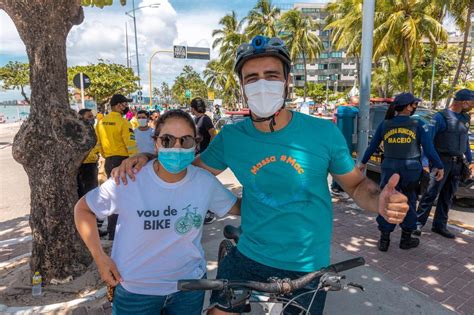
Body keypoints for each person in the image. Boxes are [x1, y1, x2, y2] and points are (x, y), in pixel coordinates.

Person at [112, 35, 409, 315]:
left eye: (271, 75)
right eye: (251, 78)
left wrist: (380, 201)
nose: (261, 84)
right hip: (248, 255)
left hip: (308, 265)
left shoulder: (323, 133)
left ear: (287, 82)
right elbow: (187, 170)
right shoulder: (231, 136)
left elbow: (356, 186)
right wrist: (151, 156)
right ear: (242, 86)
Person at [75, 110, 240, 315]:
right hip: (135, 290)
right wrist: (99, 258)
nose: (177, 147)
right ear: (156, 143)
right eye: (168, 140)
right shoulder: (129, 180)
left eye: (185, 141)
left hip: (188, 289)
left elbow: (239, 207)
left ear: (196, 144)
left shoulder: (204, 182)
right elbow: (83, 209)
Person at [359, 93, 444, 252]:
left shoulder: (385, 124)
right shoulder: (417, 124)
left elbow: (372, 146)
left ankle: (384, 240)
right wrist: (439, 165)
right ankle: (405, 239)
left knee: (387, 201)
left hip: (390, 168)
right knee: (409, 201)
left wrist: (363, 163)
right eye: (414, 104)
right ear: (407, 106)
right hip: (411, 170)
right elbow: (429, 148)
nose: (415, 107)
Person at [415, 89, 474, 239]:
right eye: (472, 102)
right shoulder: (440, 117)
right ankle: (417, 224)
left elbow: (465, 141)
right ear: (463, 101)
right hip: (441, 162)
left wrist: (470, 159)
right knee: (430, 194)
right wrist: (426, 163)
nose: (472, 106)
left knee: (448, 196)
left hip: (457, 163)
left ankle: (439, 225)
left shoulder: (465, 118)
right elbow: (428, 141)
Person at [96, 94, 138, 240]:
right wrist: (135, 162)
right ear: (119, 105)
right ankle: (123, 231)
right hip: (124, 161)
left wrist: (107, 155)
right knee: (126, 197)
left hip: (109, 161)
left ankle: (112, 230)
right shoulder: (124, 123)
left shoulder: (101, 123)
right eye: (125, 104)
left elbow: (99, 144)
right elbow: (131, 145)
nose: (126, 107)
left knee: (113, 195)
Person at [190, 97, 218, 224]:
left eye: (191, 107)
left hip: (204, 157)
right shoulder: (196, 119)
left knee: (204, 184)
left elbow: (214, 134)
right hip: (196, 156)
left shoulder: (205, 119)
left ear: (194, 107)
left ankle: (209, 212)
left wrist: (209, 151)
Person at [77, 109, 100, 198]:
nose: (92, 118)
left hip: (92, 164)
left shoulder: (93, 130)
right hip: (83, 164)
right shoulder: (79, 132)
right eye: (89, 116)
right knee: (85, 191)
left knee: (92, 190)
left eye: (92, 116)